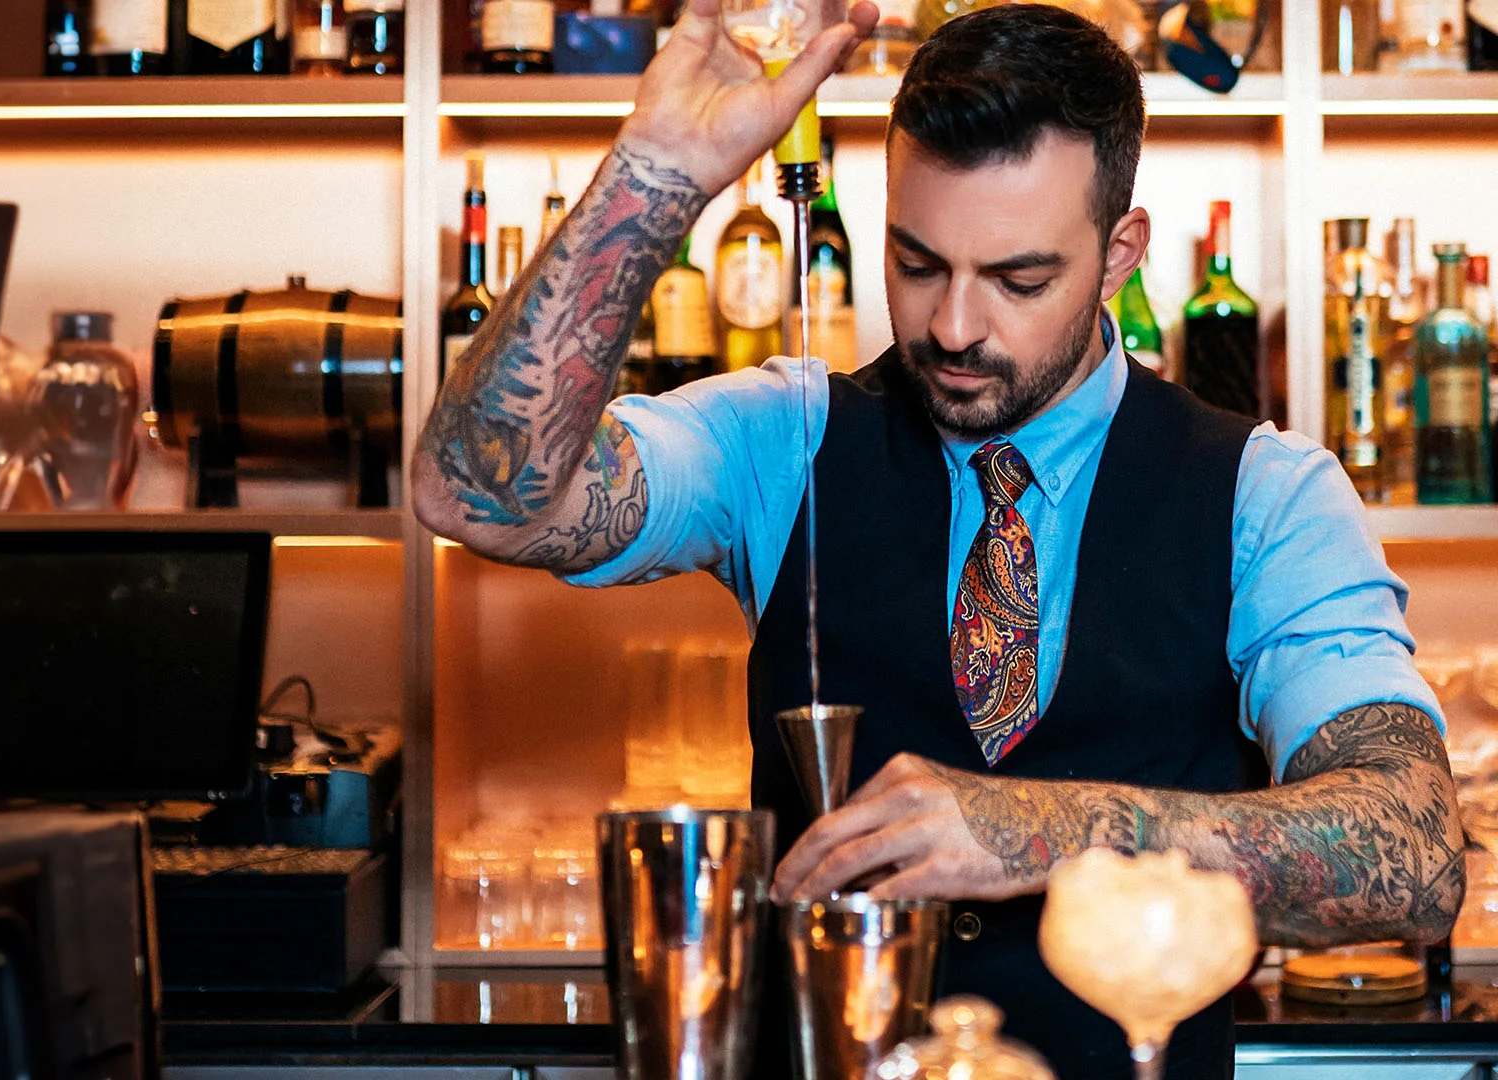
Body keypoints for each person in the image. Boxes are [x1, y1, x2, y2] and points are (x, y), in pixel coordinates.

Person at [410, 2, 1465, 1076]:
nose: (954, 327)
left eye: (1019, 280)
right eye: (917, 264)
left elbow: (1419, 851)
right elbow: (475, 496)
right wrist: (656, 173)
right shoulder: (785, 438)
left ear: (1119, 255)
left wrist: (1036, 830)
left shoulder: (1267, 495)